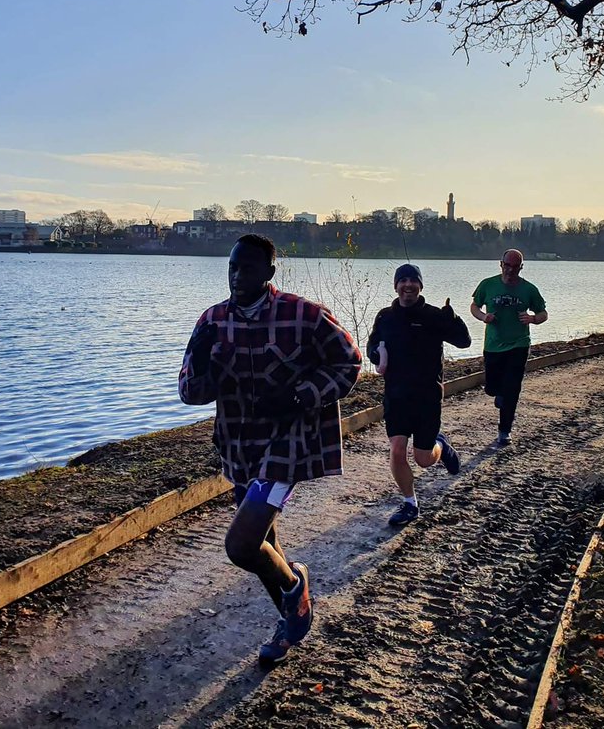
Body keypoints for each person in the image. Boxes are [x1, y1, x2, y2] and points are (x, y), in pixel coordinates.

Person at [179, 234, 362, 665]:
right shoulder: (211, 322)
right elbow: (190, 393)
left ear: (269, 273)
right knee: (266, 544)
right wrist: (202, 363)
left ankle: (297, 588)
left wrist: (301, 396)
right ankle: (289, 618)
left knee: (242, 546)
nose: (237, 276)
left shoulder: (304, 315)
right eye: (232, 268)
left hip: (287, 448)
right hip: (239, 448)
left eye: (247, 268)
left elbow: (349, 362)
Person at [365, 264, 471, 527]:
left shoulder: (434, 315)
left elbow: (464, 342)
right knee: (398, 450)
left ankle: (441, 446)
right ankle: (410, 503)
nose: (408, 285)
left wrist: (453, 319)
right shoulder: (385, 317)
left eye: (413, 280)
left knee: (423, 459)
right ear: (396, 286)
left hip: (427, 397)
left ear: (421, 286)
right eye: (403, 280)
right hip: (396, 396)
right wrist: (377, 356)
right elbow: (371, 347)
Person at [470, 249, 548, 446]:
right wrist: (483, 317)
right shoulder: (488, 285)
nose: (510, 270)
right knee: (492, 388)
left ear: (521, 267)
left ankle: (504, 431)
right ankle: (498, 393)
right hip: (493, 345)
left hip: (519, 344)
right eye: (507, 265)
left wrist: (532, 319)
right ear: (501, 264)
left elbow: (543, 313)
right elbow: (474, 306)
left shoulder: (529, 289)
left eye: (515, 267)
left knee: (512, 388)